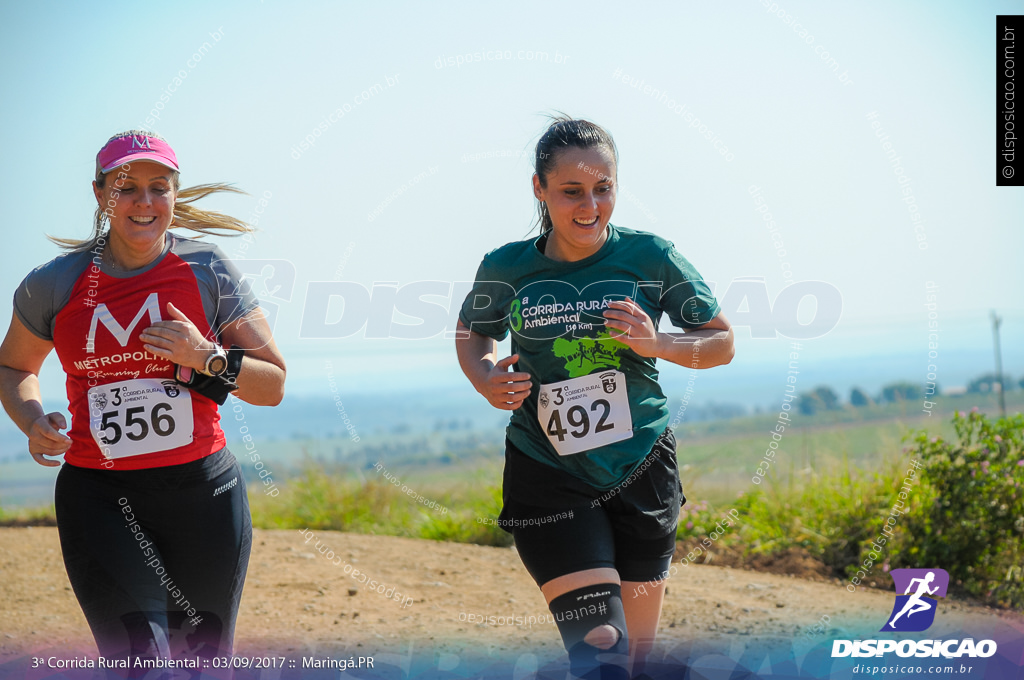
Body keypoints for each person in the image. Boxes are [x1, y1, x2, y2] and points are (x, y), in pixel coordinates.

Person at [455, 117, 734, 680]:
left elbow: (721, 343)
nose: (590, 206)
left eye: (602, 188)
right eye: (571, 192)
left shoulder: (651, 257)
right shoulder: (507, 266)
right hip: (547, 469)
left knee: (636, 659)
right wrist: (485, 377)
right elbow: (471, 332)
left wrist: (657, 342)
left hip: (642, 465)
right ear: (540, 188)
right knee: (601, 648)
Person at [0, 130, 286, 672]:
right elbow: (14, 365)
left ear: (175, 194)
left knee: (200, 664)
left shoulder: (207, 269)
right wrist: (32, 419)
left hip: (205, 495)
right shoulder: (54, 283)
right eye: (127, 187)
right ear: (100, 194)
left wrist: (208, 356)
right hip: (100, 499)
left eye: (159, 187)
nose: (145, 202)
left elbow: (272, 385)